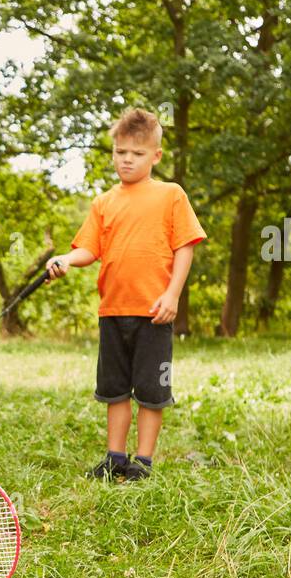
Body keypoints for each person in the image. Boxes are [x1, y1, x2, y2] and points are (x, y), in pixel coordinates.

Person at [45, 107, 206, 481]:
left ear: (156, 156)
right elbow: (89, 249)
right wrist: (66, 259)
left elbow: (186, 246)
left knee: (152, 390)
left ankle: (143, 464)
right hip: (112, 312)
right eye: (120, 153)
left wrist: (173, 295)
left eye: (136, 154)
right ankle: (115, 458)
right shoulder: (104, 202)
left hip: (155, 312)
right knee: (114, 389)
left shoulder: (171, 195)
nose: (127, 160)